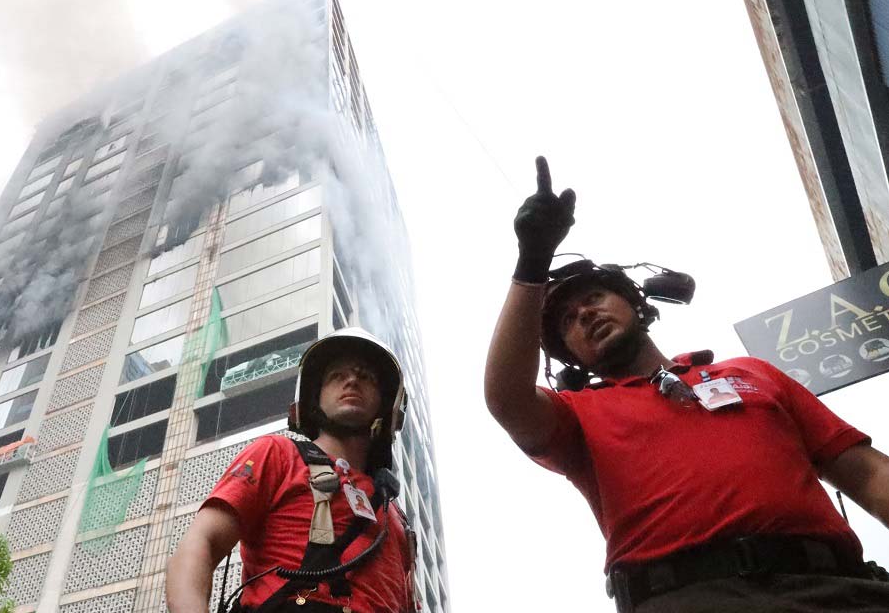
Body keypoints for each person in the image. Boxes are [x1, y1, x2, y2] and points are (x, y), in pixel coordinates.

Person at [484, 157, 889, 612]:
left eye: (594, 297)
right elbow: (507, 399)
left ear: (637, 304)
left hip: (840, 592)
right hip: (685, 599)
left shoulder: (752, 373)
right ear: (571, 356)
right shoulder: (575, 415)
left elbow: (868, 473)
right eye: (567, 321)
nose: (585, 314)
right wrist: (532, 261)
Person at [167, 327, 416, 613]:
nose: (351, 380)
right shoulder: (277, 454)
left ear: (387, 405)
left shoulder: (394, 515)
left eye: (366, 377)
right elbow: (201, 542)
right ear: (314, 396)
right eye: (337, 375)